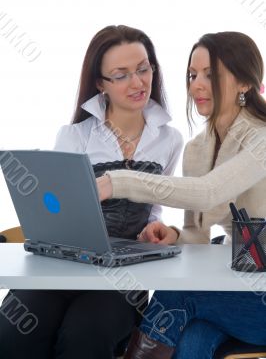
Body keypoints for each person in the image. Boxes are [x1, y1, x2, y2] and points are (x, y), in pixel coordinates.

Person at [0, 25, 183, 359]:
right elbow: (52, 211)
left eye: (143, 69)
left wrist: (156, 230)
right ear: (101, 83)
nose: (138, 82)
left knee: (84, 336)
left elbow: (155, 210)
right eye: (122, 74)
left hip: (123, 277)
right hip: (63, 266)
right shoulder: (75, 136)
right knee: (14, 333)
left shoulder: (169, 140)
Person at [97, 31, 266, 358]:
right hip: (235, 285)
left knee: (179, 293)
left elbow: (208, 192)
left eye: (210, 75)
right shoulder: (196, 150)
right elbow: (199, 236)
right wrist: (174, 234)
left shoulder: (262, 139)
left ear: (245, 83)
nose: (197, 85)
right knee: (192, 338)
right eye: (192, 75)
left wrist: (117, 181)